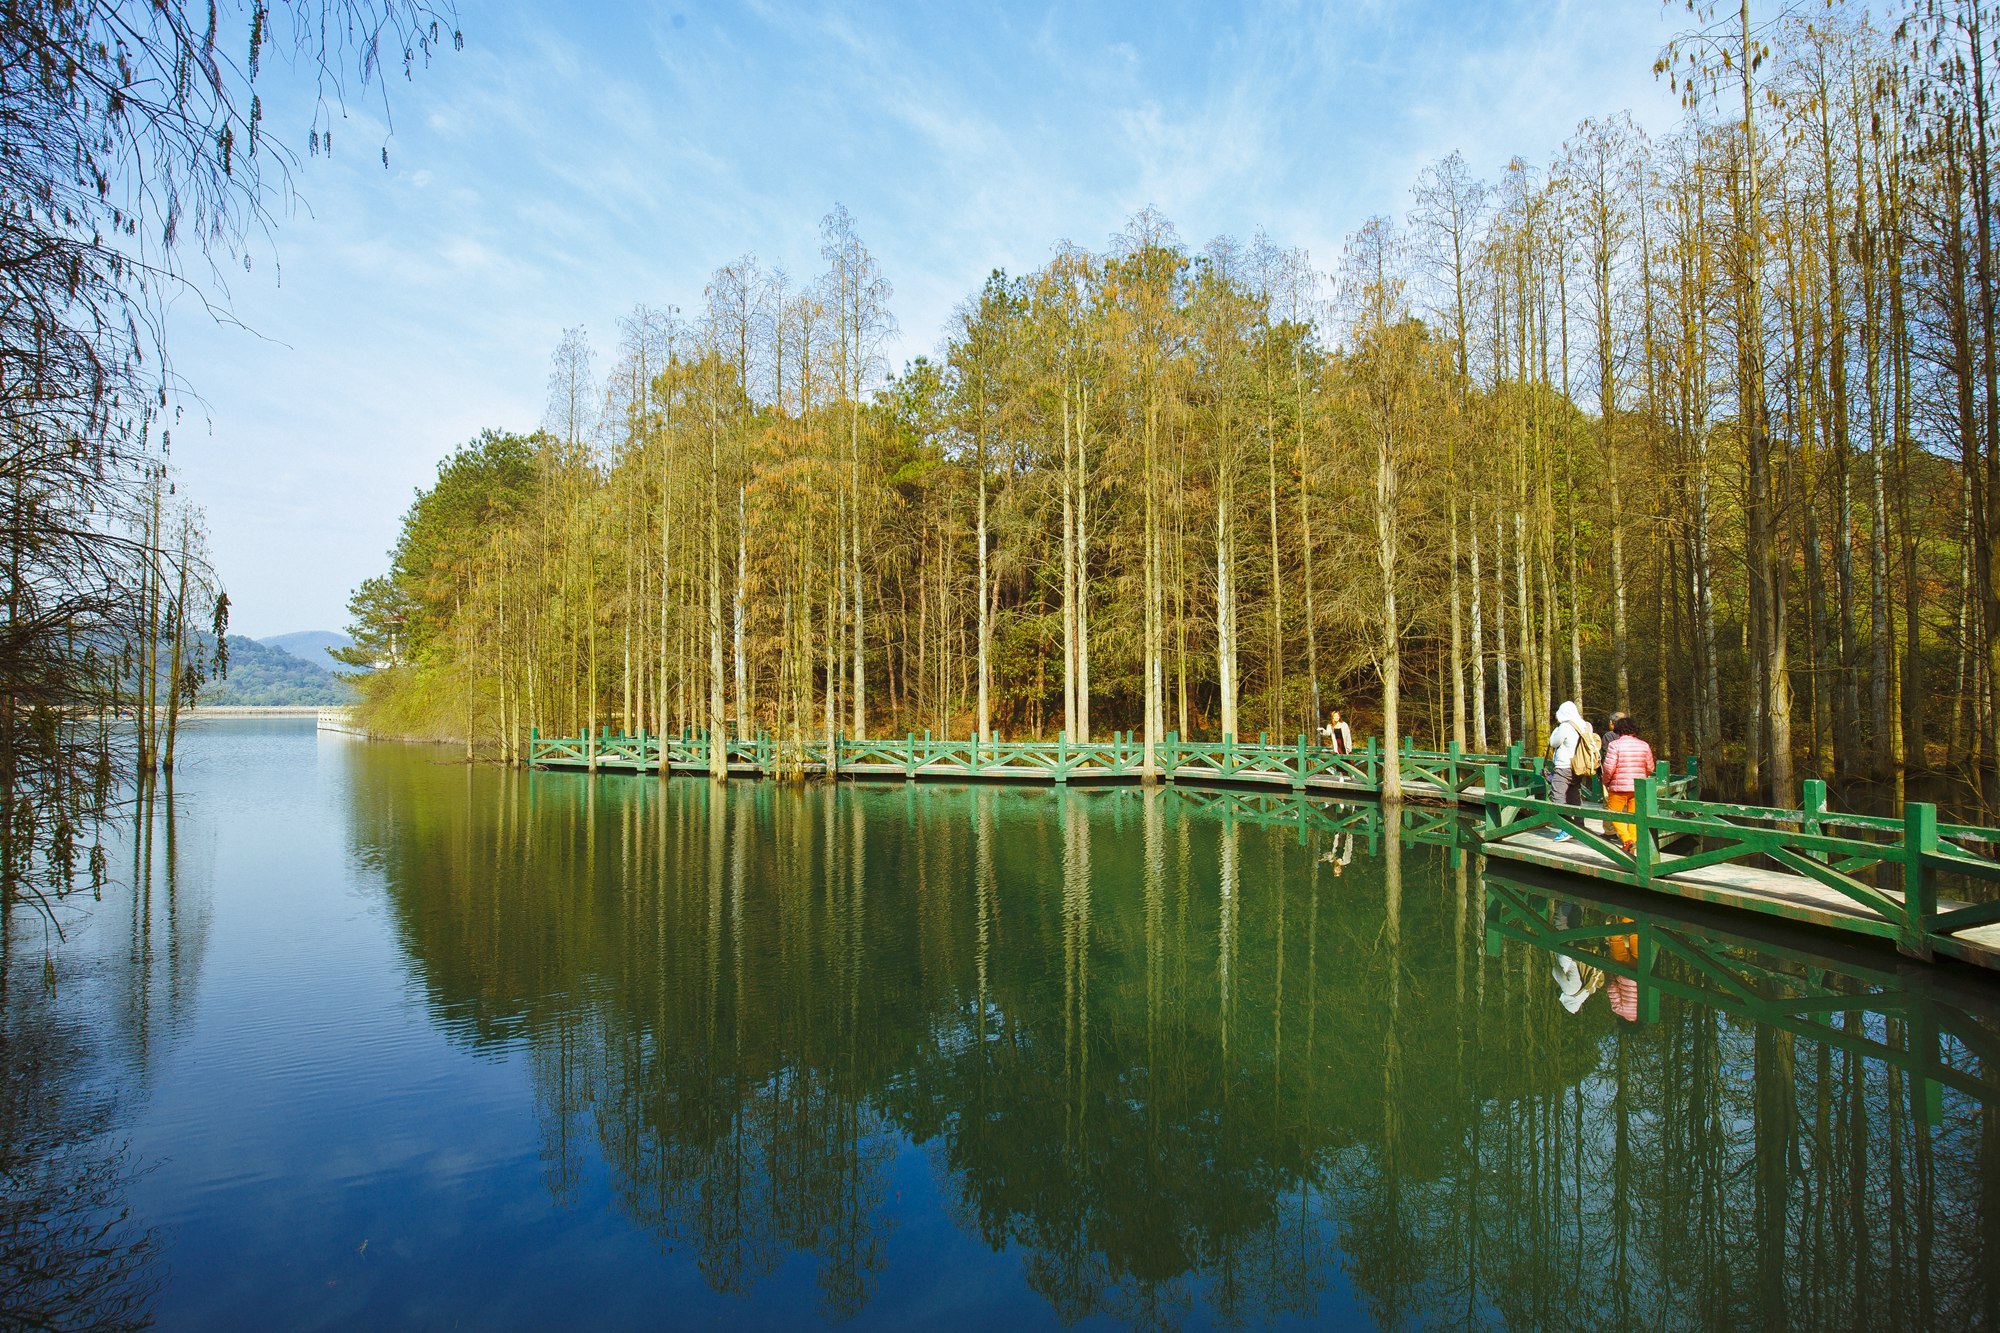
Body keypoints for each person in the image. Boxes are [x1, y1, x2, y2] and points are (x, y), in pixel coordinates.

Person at [1599, 715, 1658, 855]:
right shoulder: (1644, 745)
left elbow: (1608, 768)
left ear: (1618, 729)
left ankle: (1627, 840)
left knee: (1613, 814)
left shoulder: (1615, 745)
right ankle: (1633, 846)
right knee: (1634, 817)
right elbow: (1650, 767)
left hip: (1618, 787)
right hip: (1638, 787)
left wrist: (1606, 781)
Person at [1544, 701, 1587, 841]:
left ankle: (1566, 828)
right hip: (1579, 766)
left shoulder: (1564, 727)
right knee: (1575, 796)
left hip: (1564, 767)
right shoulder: (1585, 724)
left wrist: (1556, 729)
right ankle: (1579, 826)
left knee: (1558, 797)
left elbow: (1553, 743)